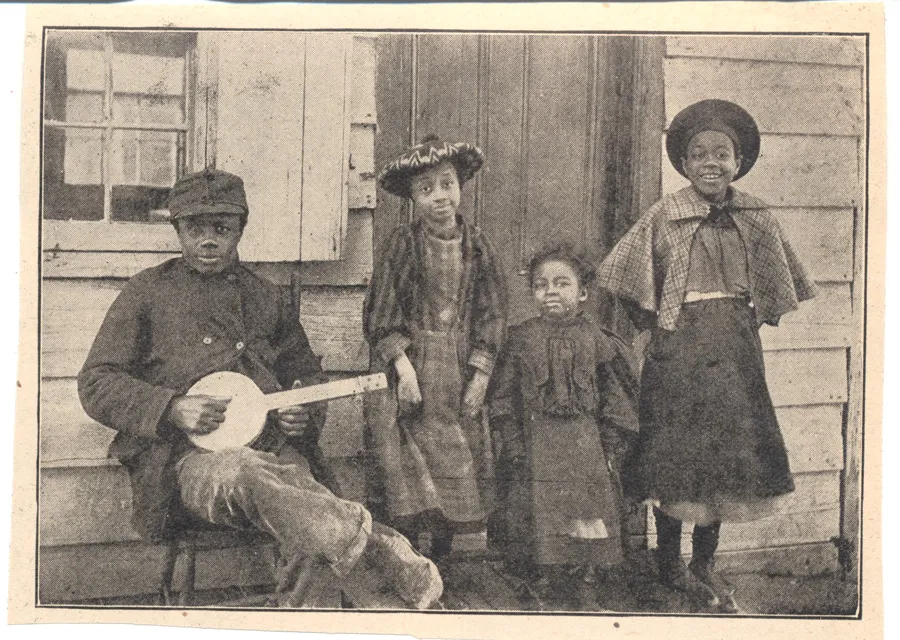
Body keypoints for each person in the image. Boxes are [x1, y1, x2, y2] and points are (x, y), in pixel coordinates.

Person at [77, 168, 442, 609]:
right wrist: (172, 407)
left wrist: (303, 416)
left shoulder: (266, 298)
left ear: (240, 230)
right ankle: (376, 545)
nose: (208, 240)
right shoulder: (147, 293)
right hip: (190, 460)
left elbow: (306, 376)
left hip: (274, 448)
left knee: (306, 525)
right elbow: (96, 382)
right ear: (177, 229)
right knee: (251, 474)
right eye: (195, 229)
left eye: (222, 229)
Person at [595, 99, 818, 613]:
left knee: (726, 452)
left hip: (735, 351)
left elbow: (776, 285)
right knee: (675, 450)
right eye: (700, 154)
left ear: (738, 162)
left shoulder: (755, 216)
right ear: (684, 163)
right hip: (678, 347)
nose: (711, 163)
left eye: (722, 153)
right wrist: (653, 329)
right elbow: (624, 275)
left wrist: (742, 320)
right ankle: (668, 561)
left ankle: (703, 562)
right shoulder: (665, 214)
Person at [363, 135, 508, 560]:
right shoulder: (402, 244)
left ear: (460, 186)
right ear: (413, 197)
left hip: (458, 370)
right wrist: (403, 369)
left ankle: (444, 556)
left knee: (455, 461)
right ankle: (409, 557)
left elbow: (493, 312)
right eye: (426, 189)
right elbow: (381, 309)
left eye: (447, 184)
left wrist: (480, 375)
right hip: (409, 369)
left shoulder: (478, 246)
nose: (439, 197)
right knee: (406, 464)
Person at [488, 242, 638, 604]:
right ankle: (545, 579)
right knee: (537, 512)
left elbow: (615, 398)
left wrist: (610, 448)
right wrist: (513, 445)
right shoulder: (521, 339)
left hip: (586, 450)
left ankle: (585, 575)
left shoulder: (597, 339)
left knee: (588, 512)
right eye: (541, 285)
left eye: (562, 283)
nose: (551, 292)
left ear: (583, 292)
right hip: (537, 448)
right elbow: (503, 399)